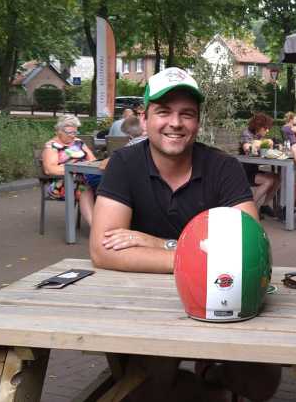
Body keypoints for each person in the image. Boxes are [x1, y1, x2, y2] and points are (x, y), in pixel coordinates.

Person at [89, 67, 280, 402]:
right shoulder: (124, 164)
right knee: (157, 384)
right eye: (164, 112)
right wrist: (200, 258)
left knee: (262, 384)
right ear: (145, 119)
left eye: (186, 114)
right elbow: (103, 250)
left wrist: (157, 244)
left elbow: (248, 248)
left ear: (197, 122)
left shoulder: (223, 167)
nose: (175, 123)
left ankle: (209, 372)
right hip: (148, 301)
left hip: (219, 293)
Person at [42, 115, 97, 227]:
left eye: (75, 132)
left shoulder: (79, 142)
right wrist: (75, 169)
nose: (73, 135)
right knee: (84, 188)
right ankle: (95, 227)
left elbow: (93, 161)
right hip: (61, 184)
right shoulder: (52, 146)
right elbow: (49, 169)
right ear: (59, 131)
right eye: (69, 132)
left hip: (84, 179)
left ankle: (108, 223)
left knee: (106, 187)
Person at [240, 112, 281, 218]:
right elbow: (247, 148)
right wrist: (264, 142)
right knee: (269, 180)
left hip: (254, 170)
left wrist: (269, 144)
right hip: (243, 172)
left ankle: (264, 206)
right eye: (265, 128)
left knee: (277, 178)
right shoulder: (246, 133)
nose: (267, 131)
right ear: (258, 126)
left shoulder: (258, 135)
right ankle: (249, 209)